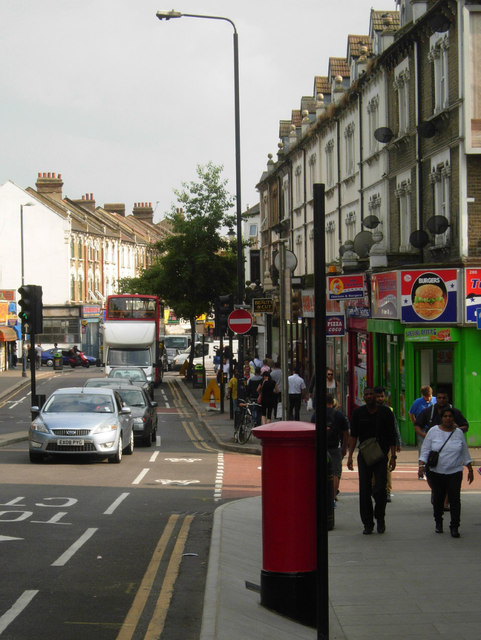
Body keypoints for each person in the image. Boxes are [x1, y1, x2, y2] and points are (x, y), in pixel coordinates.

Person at [347, 387, 397, 535]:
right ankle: (368, 523)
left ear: (376, 396)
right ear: (363, 397)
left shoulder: (386, 412)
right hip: (364, 455)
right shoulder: (358, 413)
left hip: (381, 455)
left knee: (380, 489)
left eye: (371, 394)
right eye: (366, 394)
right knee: (364, 490)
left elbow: (392, 435)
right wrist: (349, 456)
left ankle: (380, 518)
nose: (369, 397)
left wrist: (393, 456)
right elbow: (353, 435)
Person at [418, 407, 473, 537]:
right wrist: (421, 466)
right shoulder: (433, 431)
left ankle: (455, 526)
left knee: (455, 500)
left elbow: (464, 451)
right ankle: (438, 521)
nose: (448, 419)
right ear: (441, 418)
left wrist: (469, 468)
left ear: (454, 419)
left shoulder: (458, 433)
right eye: (445, 416)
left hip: (455, 471)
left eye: (450, 416)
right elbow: (425, 450)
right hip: (436, 472)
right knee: (438, 499)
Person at [374, 386, 402, 502]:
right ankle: (374, 489)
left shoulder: (389, 410)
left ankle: (387, 491)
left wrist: (397, 443)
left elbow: (394, 427)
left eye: (382, 396)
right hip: (372, 444)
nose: (380, 399)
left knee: (387, 469)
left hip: (386, 444)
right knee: (372, 468)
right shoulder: (369, 409)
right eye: (378, 396)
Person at [323, 394, 349, 504]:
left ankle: (324, 495)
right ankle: (332, 497)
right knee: (335, 473)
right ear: (332, 402)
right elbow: (346, 432)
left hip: (322, 447)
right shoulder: (339, 415)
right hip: (335, 447)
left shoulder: (317, 414)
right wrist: (344, 447)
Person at [409, 386, 435, 451]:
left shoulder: (436, 401)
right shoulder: (417, 402)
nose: (428, 398)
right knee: (422, 447)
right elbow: (411, 413)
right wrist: (415, 424)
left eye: (429, 396)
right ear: (423, 395)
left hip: (434, 428)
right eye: (426, 397)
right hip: (422, 429)